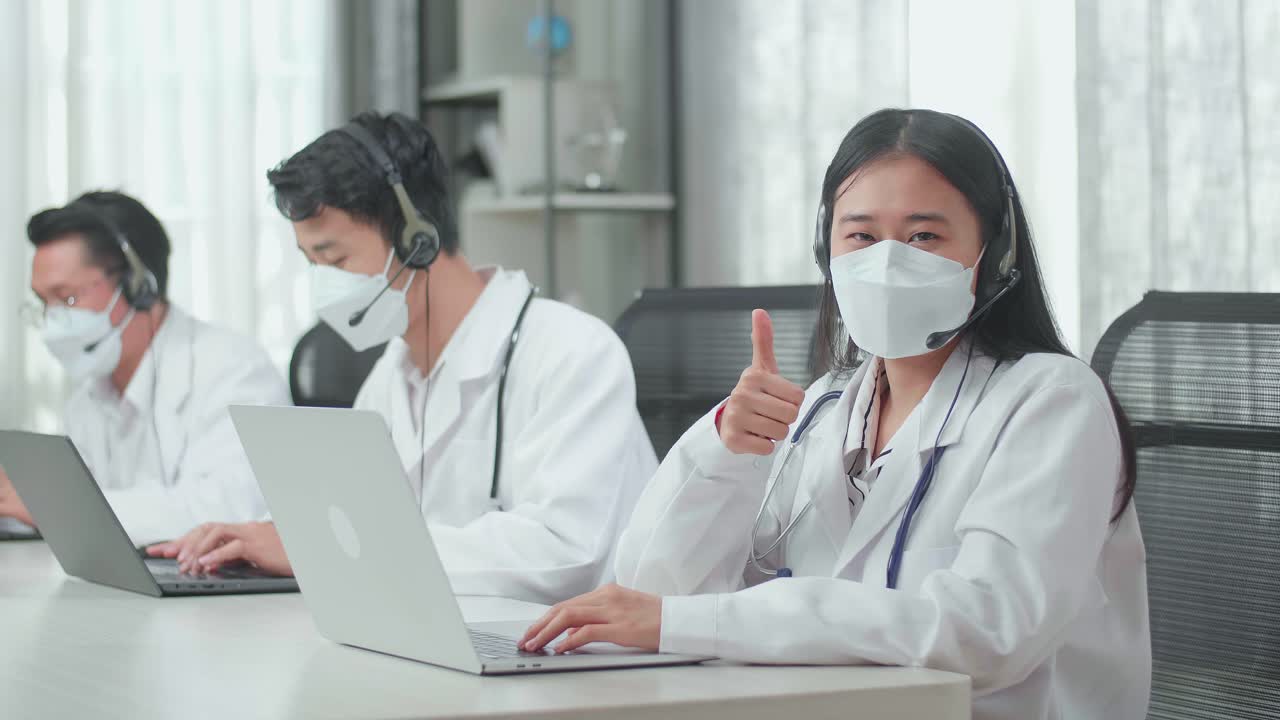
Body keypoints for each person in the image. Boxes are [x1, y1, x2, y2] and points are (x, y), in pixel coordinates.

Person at [518, 109, 1151, 719]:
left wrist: (694, 622)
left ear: (995, 251)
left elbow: (988, 631)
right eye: (861, 235)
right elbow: (656, 591)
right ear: (828, 252)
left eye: (925, 235)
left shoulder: (1051, 403)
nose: (888, 259)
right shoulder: (823, 407)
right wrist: (724, 455)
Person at [149, 112, 657, 604]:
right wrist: (270, 539)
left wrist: (315, 551)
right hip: (452, 647)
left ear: (419, 238)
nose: (327, 285)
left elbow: (563, 554)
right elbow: (359, 530)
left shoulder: (570, 352)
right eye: (312, 264)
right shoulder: (392, 377)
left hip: (588, 668)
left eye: (337, 258)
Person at [0, 191, 289, 545]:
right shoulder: (89, 396)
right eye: (44, 303)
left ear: (138, 284)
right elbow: (73, 513)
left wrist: (54, 506)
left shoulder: (233, 369)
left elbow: (230, 512)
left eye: (67, 297)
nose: (53, 320)